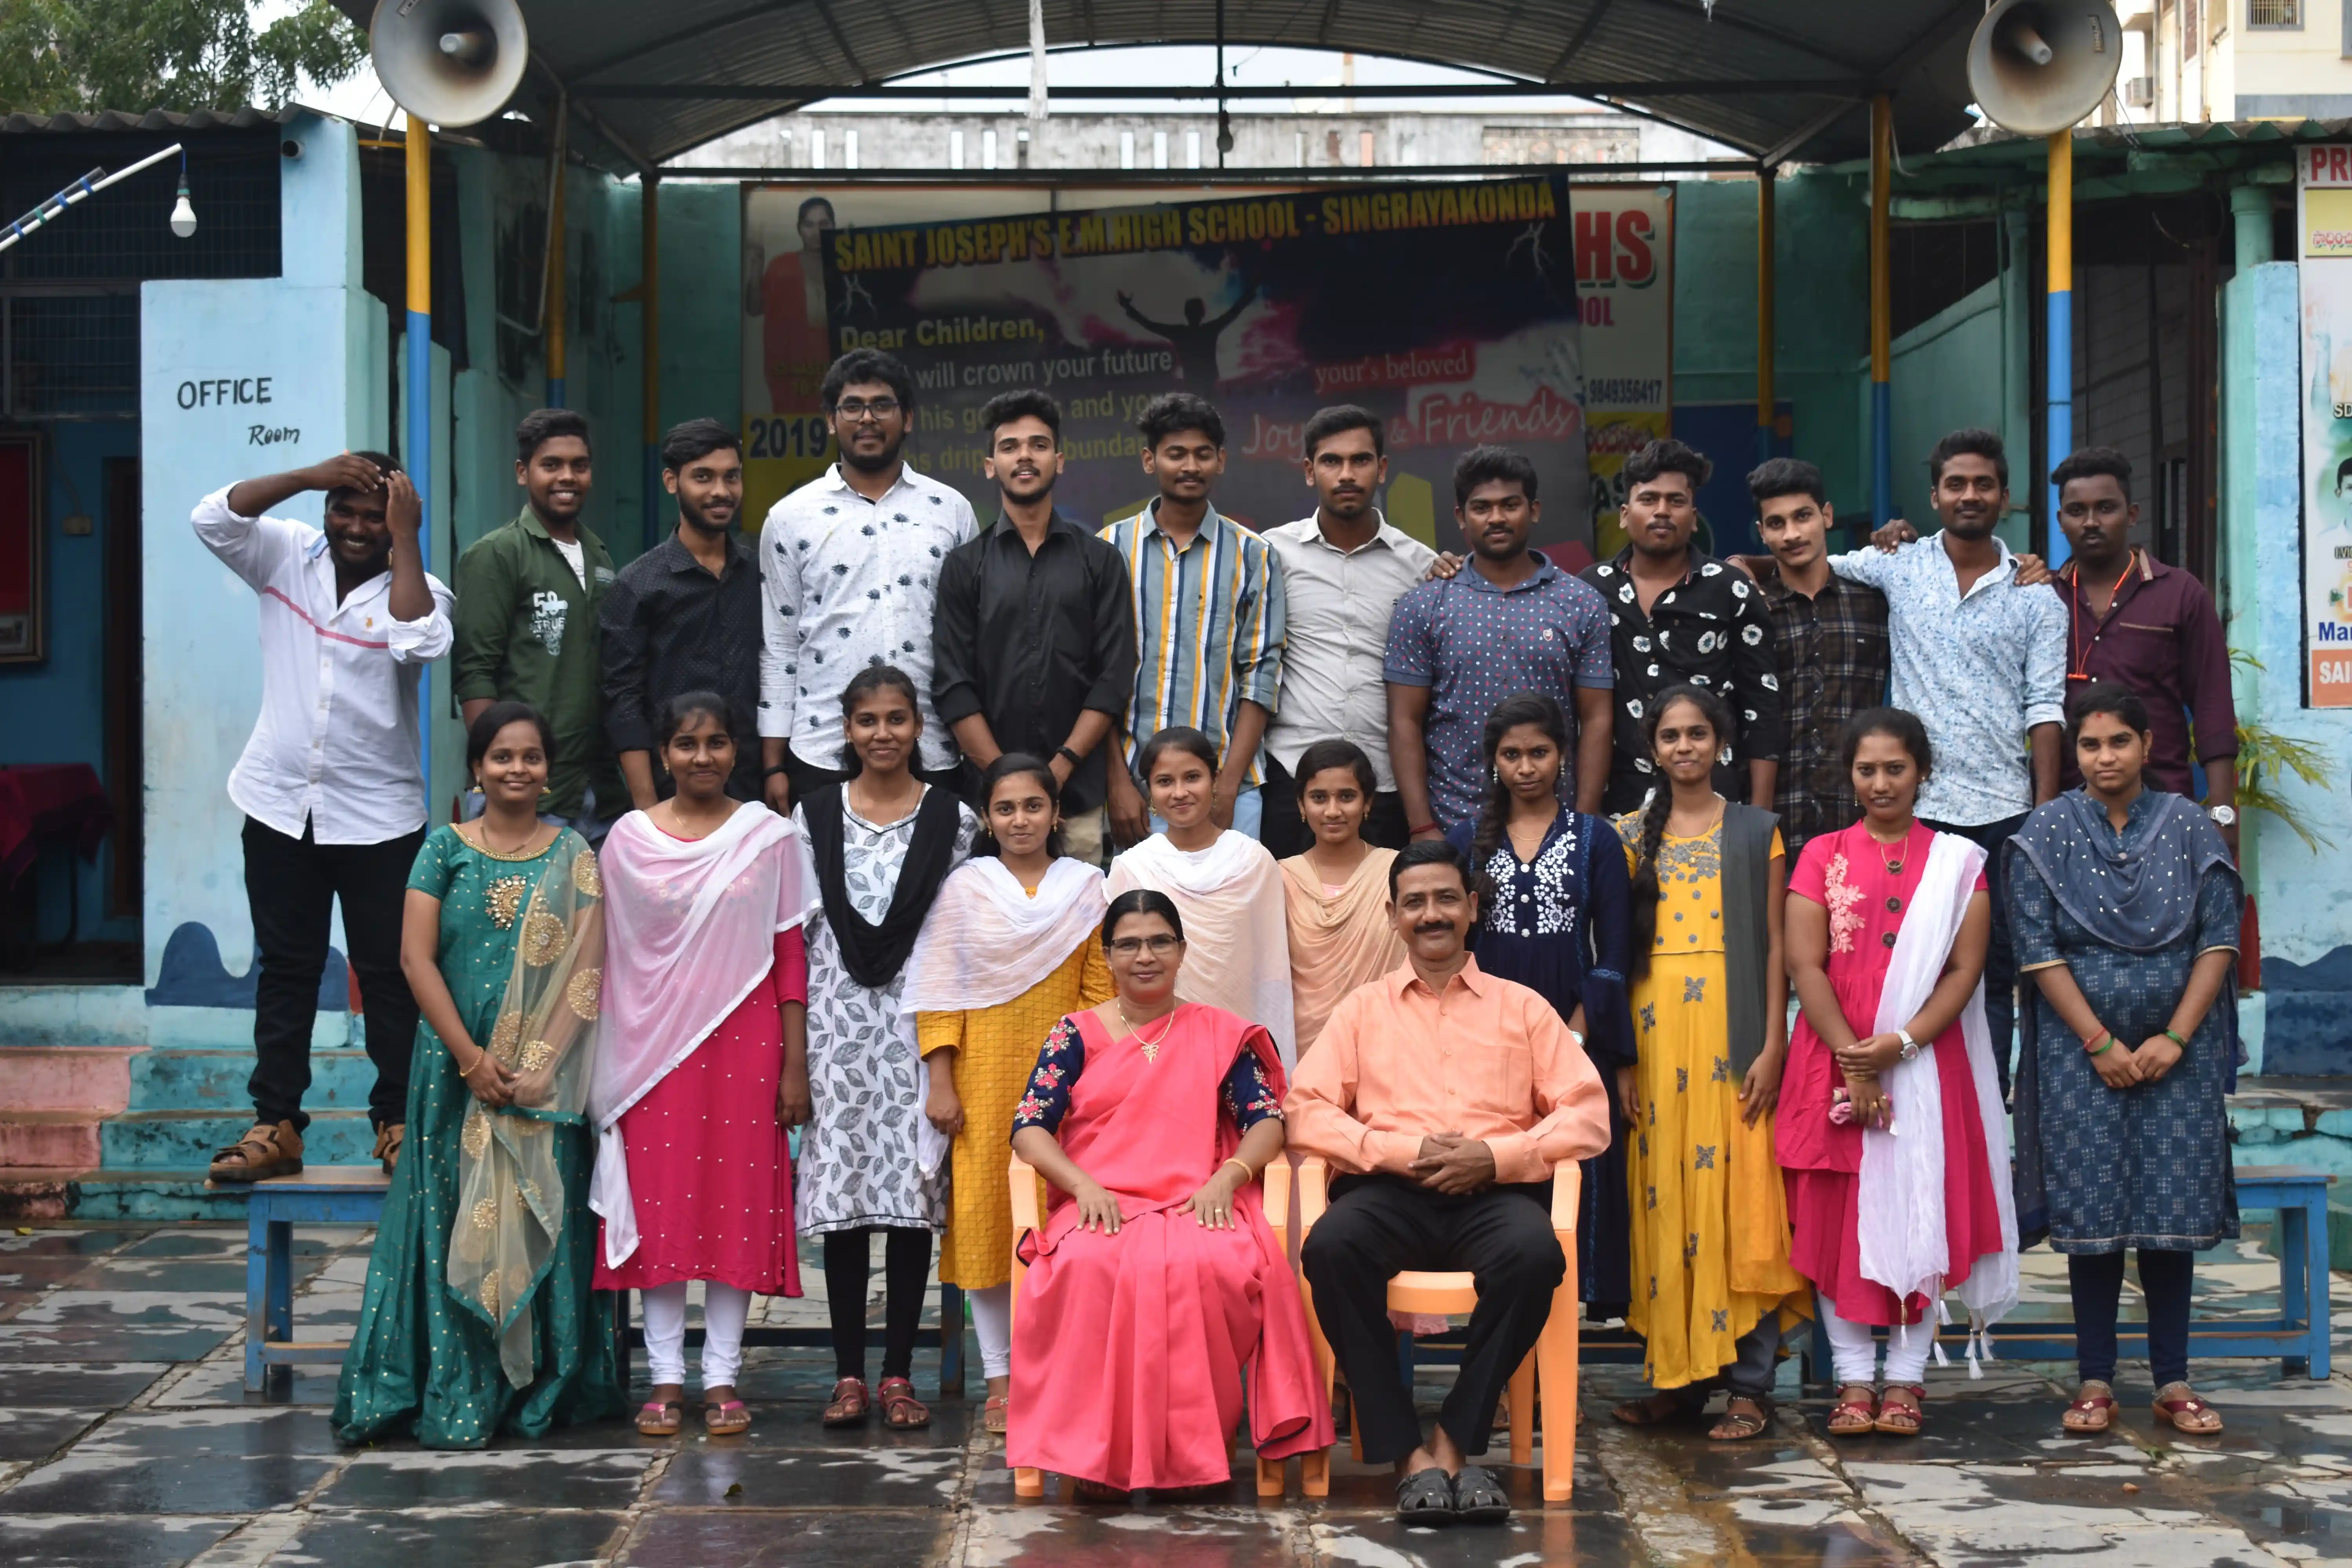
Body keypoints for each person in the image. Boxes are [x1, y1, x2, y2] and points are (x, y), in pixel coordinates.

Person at [1288, 840, 1611, 1524]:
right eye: (1414, 903)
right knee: (1329, 1248)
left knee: (1535, 1257)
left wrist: (1495, 1159)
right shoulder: (1362, 1010)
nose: (1430, 914)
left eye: (1444, 899)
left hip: (1494, 1195)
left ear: (1471, 908)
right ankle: (1406, 1452)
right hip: (1389, 1192)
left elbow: (1587, 1116)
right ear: (1393, 915)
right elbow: (1305, 1109)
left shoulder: (1523, 1008)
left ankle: (1454, 1443)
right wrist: (1398, 1152)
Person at [334, 703, 621, 1447]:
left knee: (539, 1215)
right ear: (477, 769)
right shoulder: (442, 849)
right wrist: (470, 1057)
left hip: (544, 1084)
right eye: (501, 757)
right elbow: (413, 960)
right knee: (452, 1221)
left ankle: (542, 1386)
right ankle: (459, 1378)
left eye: (530, 757)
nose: (516, 770)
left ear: (548, 770)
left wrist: (540, 1068)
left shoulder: (575, 859)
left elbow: (587, 973)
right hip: (451, 1075)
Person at [1005, 889, 1332, 1499]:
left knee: (1209, 1264)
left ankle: (1192, 1453)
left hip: (1196, 1199)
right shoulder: (1072, 1034)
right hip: (1099, 1200)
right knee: (1085, 1263)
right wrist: (1082, 1185)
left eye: (1159, 942)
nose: (1145, 956)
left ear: (1182, 951)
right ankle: (1095, 1459)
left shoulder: (1216, 1033)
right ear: (1108, 957)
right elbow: (1030, 1129)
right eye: (1128, 944)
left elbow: (1266, 1120)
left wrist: (1229, 1176)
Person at [194, 454, 450, 1183]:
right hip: (279, 805)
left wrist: (407, 539)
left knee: (390, 975)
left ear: (399, 518)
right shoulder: (283, 553)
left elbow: (419, 641)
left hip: (379, 819)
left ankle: (397, 1123)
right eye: (346, 509)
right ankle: (276, 1126)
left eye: (376, 515)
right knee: (287, 971)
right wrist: (310, 476)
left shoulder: (423, 586)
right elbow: (213, 516)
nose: (358, 527)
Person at [2007, 684, 2243, 1437]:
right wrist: (2100, 1042)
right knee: (2095, 1216)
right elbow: (2037, 948)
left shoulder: (2189, 827)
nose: (2104, 758)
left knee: (2170, 1216)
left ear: (2148, 746)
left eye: (2119, 742)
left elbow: (2219, 938)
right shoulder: (2046, 832)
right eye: (2089, 745)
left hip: (2183, 1052)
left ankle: (2174, 1382)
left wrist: (2173, 1037)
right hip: (2082, 1055)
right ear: (2072, 753)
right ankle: (2095, 1381)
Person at [1780, 708, 2017, 1439]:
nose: (1881, 783)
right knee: (1836, 1223)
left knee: (1925, 1211)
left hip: (1926, 1065)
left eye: (1896, 768)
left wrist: (1901, 1047)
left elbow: (1966, 970)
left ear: (1922, 773)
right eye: (1867, 770)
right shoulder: (1821, 854)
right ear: (1849, 776)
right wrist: (1856, 1061)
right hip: (1832, 1058)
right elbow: (1805, 965)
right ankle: (1854, 1380)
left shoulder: (1960, 863)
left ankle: (1907, 1382)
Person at [588, 691, 816, 1439]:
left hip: (746, 1043)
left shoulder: (769, 837)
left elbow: (788, 952)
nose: (704, 757)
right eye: (687, 744)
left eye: (718, 742)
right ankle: (664, 1378)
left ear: (737, 750)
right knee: (661, 1211)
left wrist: (794, 1066)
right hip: (649, 1048)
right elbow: (605, 952)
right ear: (663, 753)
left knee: (733, 1209)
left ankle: (721, 1376)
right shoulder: (625, 840)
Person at [1824, 429, 2067, 1099]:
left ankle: (1985, 1109)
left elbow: (2045, 708)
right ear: (1934, 496)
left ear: (2005, 497)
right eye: (1956, 484)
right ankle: (1916, 1102)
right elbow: (1813, 563)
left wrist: (2043, 815)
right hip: (1917, 815)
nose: (1969, 495)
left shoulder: (2036, 596)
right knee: (1907, 964)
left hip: (2004, 814)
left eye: (1983, 484)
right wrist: (1740, 563)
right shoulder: (1898, 565)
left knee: (1994, 971)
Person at [1605, 686, 1810, 1443]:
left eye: (1697, 734)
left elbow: (1776, 950)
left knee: (1738, 1199)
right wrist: (1622, 1060)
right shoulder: (1626, 835)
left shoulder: (1759, 831)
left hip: (1733, 1036)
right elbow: (1616, 958)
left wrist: (1773, 1045)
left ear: (1719, 744)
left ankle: (1751, 1387)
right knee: (1665, 1202)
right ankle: (1680, 1379)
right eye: (1670, 735)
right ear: (1652, 748)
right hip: (1657, 1041)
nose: (1684, 747)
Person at [791, 665, 979, 1431]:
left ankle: (899, 1373)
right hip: (838, 1032)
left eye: (896, 719)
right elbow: (799, 939)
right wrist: (797, 1058)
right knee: (846, 1210)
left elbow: (961, 939)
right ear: (846, 728)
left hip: (916, 1033)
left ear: (918, 727)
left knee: (907, 1207)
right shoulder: (812, 817)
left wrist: (947, 1056)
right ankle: (847, 1375)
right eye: (867, 719)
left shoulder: (954, 820)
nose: (882, 733)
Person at [904, 753, 1113, 1436]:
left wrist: (1086, 1083)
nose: (1020, 819)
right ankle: (1001, 1380)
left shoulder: (1087, 887)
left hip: (1066, 1084)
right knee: (990, 1225)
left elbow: (1099, 995)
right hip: (983, 1080)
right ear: (987, 820)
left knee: (1063, 1226)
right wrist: (941, 1078)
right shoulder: (966, 889)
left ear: (1056, 814)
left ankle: (1058, 1375)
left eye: (1033, 806)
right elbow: (940, 989)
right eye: (1005, 808)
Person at [1445, 694, 1636, 1315]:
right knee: (1496, 1177)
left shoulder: (1595, 840)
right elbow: (1450, 949)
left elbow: (1613, 954)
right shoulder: (1465, 838)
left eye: (1539, 753)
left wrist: (1573, 1040)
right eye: (1511, 755)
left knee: (1570, 1177)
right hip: (1486, 1037)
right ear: (1493, 762)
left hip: (1575, 1031)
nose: (1526, 767)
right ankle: (1500, 1372)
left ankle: (1562, 1369)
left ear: (1563, 756)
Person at [759, 349, 978, 811]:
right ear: (830, 420)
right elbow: (779, 645)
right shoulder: (789, 517)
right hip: (821, 745)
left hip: (934, 743)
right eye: (853, 406)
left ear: (909, 418)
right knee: (826, 884)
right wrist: (774, 764)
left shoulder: (951, 510)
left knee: (934, 882)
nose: (868, 419)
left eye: (882, 405)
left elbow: (972, 636)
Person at [932, 390, 1137, 867]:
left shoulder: (1100, 561)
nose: (1025, 456)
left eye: (1038, 445)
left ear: (1059, 461)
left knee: (1083, 934)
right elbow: (953, 684)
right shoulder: (965, 567)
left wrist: (1057, 773)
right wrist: (1010, 786)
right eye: (1010, 447)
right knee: (995, 930)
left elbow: (1113, 678)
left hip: (1080, 797)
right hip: (990, 804)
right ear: (990, 465)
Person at [1386, 445, 1613, 838]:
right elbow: (1404, 721)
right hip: (1454, 822)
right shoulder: (1423, 605)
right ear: (1461, 517)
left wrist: (1584, 822)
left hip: (1555, 825)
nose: (1497, 518)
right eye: (1482, 507)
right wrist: (1422, 826)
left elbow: (1596, 719)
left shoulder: (1581, 602)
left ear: (1534, 510)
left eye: (1511, 505)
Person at [1099, 392, 1286, 845]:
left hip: (1228, 788)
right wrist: (1116, 783)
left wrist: (1225, 786)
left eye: (1203, 454)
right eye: (1175, 454)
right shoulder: (1108, 548)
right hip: (1133, 790)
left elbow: (1260, 676)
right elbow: (1094, 675)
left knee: (1227, 915)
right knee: (1138, 915)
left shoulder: (1253, 555)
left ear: (1221, 460)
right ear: (1150, 460)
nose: (1190, 466)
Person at [2034, 449, 2239, 848]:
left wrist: (2223, 815)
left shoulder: (2181, 595)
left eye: (2106, 508)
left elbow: (2213, 709)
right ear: (2061, 521)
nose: (2091, 521)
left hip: (2164, 811)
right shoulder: (2042, 599)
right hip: (2069, 816)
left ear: (2132, 514)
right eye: (2077, 510)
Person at [1260, 405, 1439, 856]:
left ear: (1381, 469)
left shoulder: (1421, 566)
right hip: (1291, 775)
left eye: (1360, 461)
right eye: (1331, 461)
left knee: (1386, 918)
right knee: (1291, 918)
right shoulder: (1270, 553)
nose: (1346, 474)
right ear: (1309, 470)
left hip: (1384, 780)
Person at [1580, 439, 1783, 816]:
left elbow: (1763, 706)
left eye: (1675, 501)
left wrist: (1758, 816)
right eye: (1649, 500)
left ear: (1693, 517)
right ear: (1625, 514)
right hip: (1620, 803)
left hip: (1714, 799)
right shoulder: (1590, 591)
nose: (1661, 512)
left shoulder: (1731, 590)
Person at [453, 409, 624, 840]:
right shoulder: (498, 554)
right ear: (522, 473)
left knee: (591, 909)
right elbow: (475, 673)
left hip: (595, 790)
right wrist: (496, 775)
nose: (567, 477)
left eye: (579, 466)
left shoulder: (599, 556)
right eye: (551, 465)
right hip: (526, 795)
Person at [1105, 728, 1295, 1067]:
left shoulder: (1253, 861)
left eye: (1192, 777)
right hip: (1156, 1047)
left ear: (1215, 780)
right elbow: (1120, 973)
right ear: (1149, 790)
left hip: (1242, 1041)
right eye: (1165, 782)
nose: (1180, 793)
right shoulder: (1133, 867)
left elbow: (1273, 971)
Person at [601, 420, 766, 809]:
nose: (721, 491)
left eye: (732, 477)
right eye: (703, 478)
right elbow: (622, 700)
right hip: (670, 794)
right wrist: (646, 808)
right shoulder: (638, 585)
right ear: (672, 482)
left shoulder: (760, 575)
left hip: (752, 791)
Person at [1744, 458, 1889, 861]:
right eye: (1777, 523)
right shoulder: (1751, 610)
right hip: (1776, 820)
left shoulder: (1874, 603)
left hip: (1863, 816)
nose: (1792, 534)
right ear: (1762, 532)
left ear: (1827, 516)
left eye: (1803, 516)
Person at [1279, 740, 1407, 1059]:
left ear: (1368, 803)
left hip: (1387, 1044)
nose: (1333, 811)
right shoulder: (1280, 878)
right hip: (1303, 1048)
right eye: (1319, 798)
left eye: (1347, 797)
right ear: (1300, 805)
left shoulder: (1397, 872)